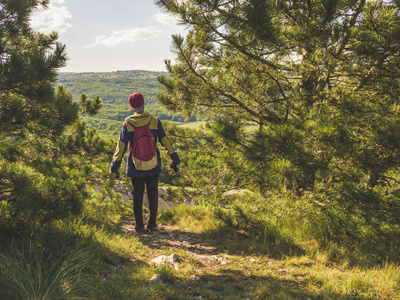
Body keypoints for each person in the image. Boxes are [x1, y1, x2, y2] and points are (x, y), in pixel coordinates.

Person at [109, 92, 180, 234]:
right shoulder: (154, 121)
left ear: (131, 107)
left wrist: (114, 167)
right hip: (153, 165)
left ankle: (139, 227)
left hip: (136, 166)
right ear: (144, 104)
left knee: (137, 196)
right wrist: (175, 159)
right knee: (153, 194)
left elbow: (121, 147)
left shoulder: (128, 123)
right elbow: (165, 141)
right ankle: (152, 225)